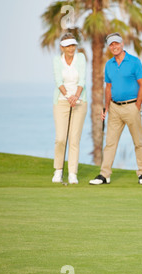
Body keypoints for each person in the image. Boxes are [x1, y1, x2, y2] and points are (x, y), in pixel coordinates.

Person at [89, 33, 142, 185]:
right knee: (110, 143)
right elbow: (108, 88)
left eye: (116, 43)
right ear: (109, 47)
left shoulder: (134, 62)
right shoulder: (109, 65)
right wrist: (106, 108)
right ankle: (104, 175)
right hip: (115, 108)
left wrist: (137, 105)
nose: (114, 46)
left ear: (122, 44)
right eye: (111, 44)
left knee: (138, 142)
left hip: (132, 107)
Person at [52, 33, 87, 184]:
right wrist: (68, 96)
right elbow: (58, 81)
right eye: (67, 46)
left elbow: (82, 80)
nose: (71, 48)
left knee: (74, 139)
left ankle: (72, 173)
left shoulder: (81, 58)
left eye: (73, 45)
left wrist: (76, 97)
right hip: (61, 101)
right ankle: (58, 171)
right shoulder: (56, 60)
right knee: (61, 138)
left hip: (79, 101)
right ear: (62, 47)